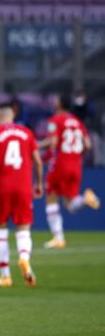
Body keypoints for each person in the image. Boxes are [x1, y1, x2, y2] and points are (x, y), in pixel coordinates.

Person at [0, 103, 43, 288]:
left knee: (0, 231)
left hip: (3, 187)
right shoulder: (27, 133)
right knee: (23, 229)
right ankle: (24, 258)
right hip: (24, 187)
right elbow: (38, 162)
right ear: (12, 115)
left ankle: (5, 276)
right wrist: (38, 183)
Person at [38, 95, 99, 249]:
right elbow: (88, 145)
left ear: (60, 104)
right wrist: (76, 155)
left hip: (60, 163)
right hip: (76, 164)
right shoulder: (78, 122)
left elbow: (53, 142)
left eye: (56, 100)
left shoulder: (55, 120)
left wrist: (35, 145)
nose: (54, 102)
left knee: (51, 198)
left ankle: (58, 238)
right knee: (70, 204)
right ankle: (85, 199)